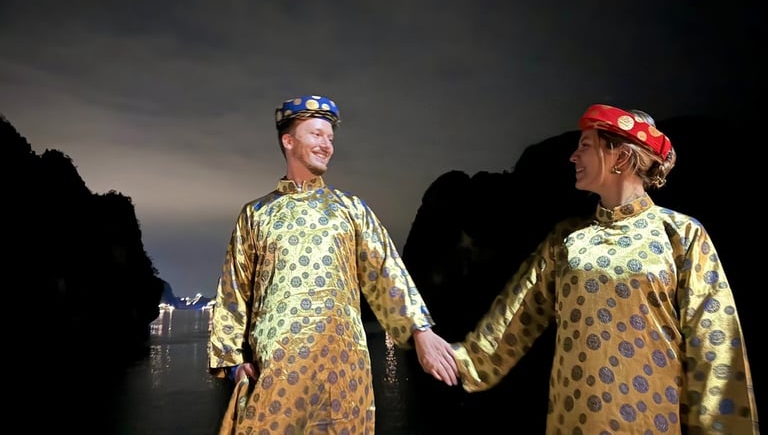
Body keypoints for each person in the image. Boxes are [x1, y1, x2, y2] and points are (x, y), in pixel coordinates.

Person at [451, 104, 759, 434]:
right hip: (573, 422)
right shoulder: (566, 239)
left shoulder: (682, 234)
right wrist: (457, 359)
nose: (573, 156)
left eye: (585, 145)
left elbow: (714, 343)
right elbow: (516, 317)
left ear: (621, 157)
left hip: (652, 422)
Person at [207, 94, 458, 434]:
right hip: (277, 370)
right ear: (288, 141)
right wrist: (234, 363)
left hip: (343, 371)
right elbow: (234, 290)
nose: (327, 145)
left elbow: (385, 271)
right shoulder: (256, 215)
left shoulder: (350, 210)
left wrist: (420, 331)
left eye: (330, 138)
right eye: (316, 134)